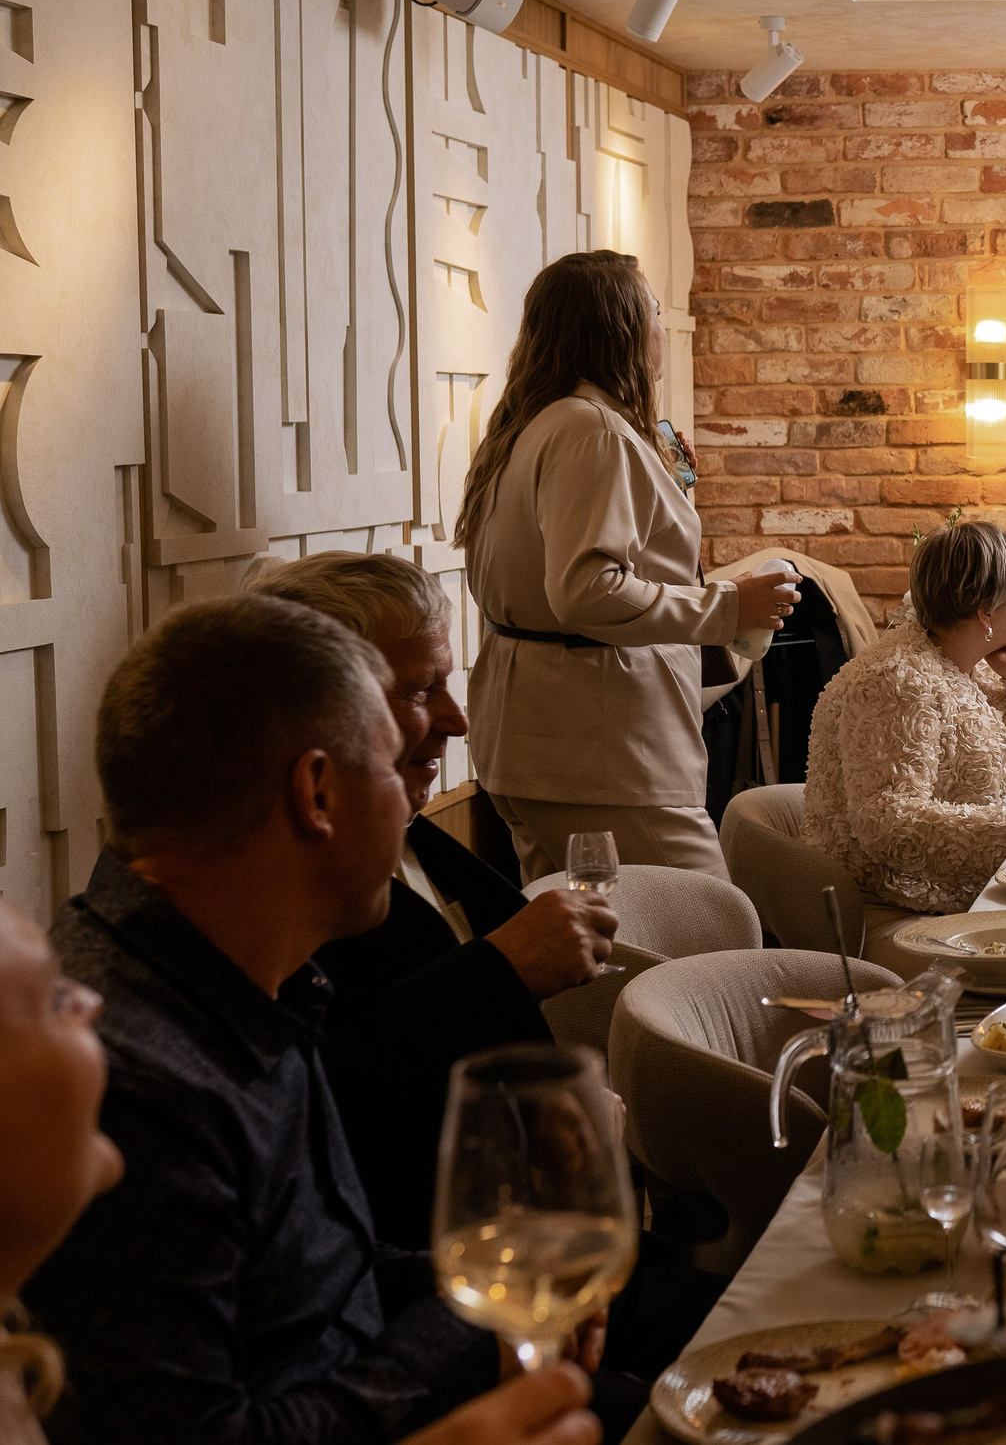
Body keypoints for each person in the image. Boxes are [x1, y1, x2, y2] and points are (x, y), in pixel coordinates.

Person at [26, 596, 498, 1442]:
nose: (408, 799)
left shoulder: (247, 973)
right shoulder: (134, 1081)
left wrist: (489, 1280)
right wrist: (480, 1324)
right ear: (317, 792)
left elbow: (324, 1284)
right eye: (391, 766)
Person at [0, 895, 603, 1445]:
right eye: (56, 998)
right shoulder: (152, 1072)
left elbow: (327, 1264)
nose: (97, 1000)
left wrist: (499, 1288)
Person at [250, 550, 618, 1248]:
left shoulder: (420, 840)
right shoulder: (274, 882)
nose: (458, 722)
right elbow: (316, 1099)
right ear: (321, 711)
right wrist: (499, 971)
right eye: (421, 691)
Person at [456, 249, 801, 879]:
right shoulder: (595, 432)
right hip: (599, 753)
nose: (664, 331)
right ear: (622, 329)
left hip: (531, 736)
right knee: (712, 939)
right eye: (656, 312)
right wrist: (728, 607)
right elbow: (585, 592)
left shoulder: (531, 424)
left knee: (587, 950)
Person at [803, 520, 1006, 946]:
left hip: (993, 883)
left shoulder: (979, 668)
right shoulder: (895, 680)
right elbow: (885, 820)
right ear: (987, 612)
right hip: (903, 904)